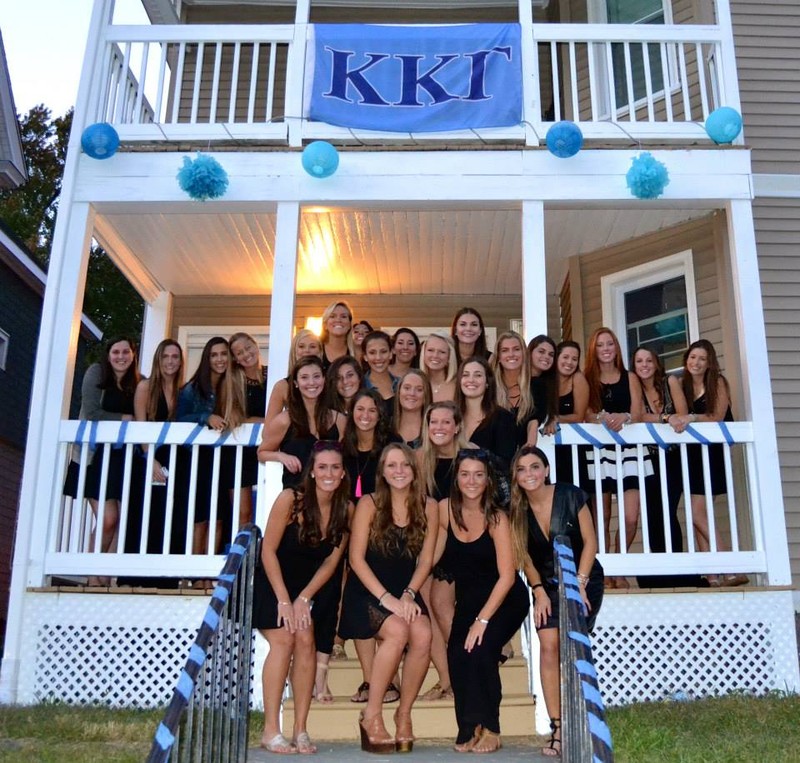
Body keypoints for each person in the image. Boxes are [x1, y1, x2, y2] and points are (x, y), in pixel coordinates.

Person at [253, 442, 353, 754]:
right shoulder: (290, 500)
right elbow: (267, 550)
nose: (329, 473)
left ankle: (300, 730)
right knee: (284, 640)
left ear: (343, 473)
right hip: (274, 582)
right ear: (311, 471)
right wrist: (285, 600)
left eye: (335, 467)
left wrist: (304, 598)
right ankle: (270, 731)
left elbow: (331, 562)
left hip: (309, 588)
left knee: (307, 640)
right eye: (322, 467)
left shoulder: (346, 509)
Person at [339, 444, 438, 753]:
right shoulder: (369, 503)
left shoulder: (429, 505)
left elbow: (425, 561)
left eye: (405, 465)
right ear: (381, 471)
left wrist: (408, 594)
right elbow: (356, 559)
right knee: (397, 631)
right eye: (392, 465)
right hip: (368, 590)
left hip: (405, 590)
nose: (399, 471)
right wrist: (388, 599)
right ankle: (372, 714)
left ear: (414, 470)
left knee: (422, 633)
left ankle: (403, 714)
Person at [510, 445, 603, 758]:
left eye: (534, 467)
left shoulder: (570, 495)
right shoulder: (517, 509)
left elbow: (591, 542)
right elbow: (524, 556)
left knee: (570, 647)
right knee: (548, 647)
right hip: (546, 585)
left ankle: (584, 721)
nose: (529, 474)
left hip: (582, 577)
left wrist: (579, 586)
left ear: (546, 470)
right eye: (521, 470)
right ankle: (559, 726)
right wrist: (537, 590)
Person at [439, 449, 528, 753]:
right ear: (456, 479)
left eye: (479, 474)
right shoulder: (445, 511)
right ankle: (468, 726)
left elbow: (507, 576)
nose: (471, 481)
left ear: (488, 479)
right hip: (469, 598)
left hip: (505, 598)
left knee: (481, 648)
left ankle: (491, 727)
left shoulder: (497, 517)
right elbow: (429, 556)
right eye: (465, 474)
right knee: (456, 652)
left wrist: (482, 621)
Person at [668, 339, 748, 587]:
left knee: (697, 512)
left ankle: (731, 567)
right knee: (697, 514)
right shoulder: (682, 384)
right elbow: (679, 414)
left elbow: (717, 416)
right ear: (686, 359)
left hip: (712, 454)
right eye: (692, 357)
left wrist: (692, 417)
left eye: (702, 358)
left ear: (709, 362)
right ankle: (713, 576)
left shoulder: (719, 383)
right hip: (692, 455)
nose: (696, 362)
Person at [342, 389, 403, 704]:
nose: (365, 415)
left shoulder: (390, 449)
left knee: (378, 603)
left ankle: (388, 681)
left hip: (385, 531)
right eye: (359, 409)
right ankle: (371, 681)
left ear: (380, 414)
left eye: (372, 410)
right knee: (358, 597)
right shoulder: (345, 449)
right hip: (352, 527)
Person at [584, 327, 648, 587]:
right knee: (602, 516)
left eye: (610, 344)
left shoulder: (629, 377)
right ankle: (606, 571)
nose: (606, 349)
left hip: (630, 449)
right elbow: (585, 413)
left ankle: (616, 561)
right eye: (600, 345)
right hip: (600, 450)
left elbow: (638, 412)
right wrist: (601, 417)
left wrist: (625, 417)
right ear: (594, 350)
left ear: (616, 348)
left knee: (631, 517)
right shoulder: (588, 378)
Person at [415, 401, 468, 703]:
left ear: (457, 426)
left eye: (446, 422)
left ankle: (464, 671)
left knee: (441, 604)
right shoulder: (420, 459)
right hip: (430, 541)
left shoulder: (469, 458)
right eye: (434, 422)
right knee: (425, 605)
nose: (439, 428)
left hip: (462, 541)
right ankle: (447, 678)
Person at [79, 336, 140, 581]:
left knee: (119, 521)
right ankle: (91, 575)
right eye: (116, 352)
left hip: (122, 458)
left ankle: (103, 579)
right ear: (109, 354)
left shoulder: (137, 382)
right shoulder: (97, 373)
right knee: (108, 518)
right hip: (95, 458)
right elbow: (92, 411)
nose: (121, 356)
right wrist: (124, 419)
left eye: (126, 352)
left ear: (133, 354)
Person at [176, 336, 243, 556]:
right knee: (200, 517)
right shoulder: (193, 388)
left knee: (219, 516)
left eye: (224, 354)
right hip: (197, 460)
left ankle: (208, 573)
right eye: (214, 355)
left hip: (222, 460)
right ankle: (195, 575)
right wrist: (206, 416)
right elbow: (177, 420)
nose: (220, 359)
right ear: (207, 358)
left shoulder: (232, 386)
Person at [130, 339, 186, 560]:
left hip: (177, 460)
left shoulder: (183, 391)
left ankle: (168, 576)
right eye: (166, 356)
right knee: (146, 512)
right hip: (150, 457)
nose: (170, 361)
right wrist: (150, 458)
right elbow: (140, 426)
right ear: (158, 360)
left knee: (171, 514)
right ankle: (137, 575)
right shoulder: (146, 387)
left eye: (175, 357)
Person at [258, 357, 345, 489]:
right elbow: (262, 453)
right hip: (296, 494)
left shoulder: (339, 420)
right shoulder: (284, 420)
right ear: (296, 383)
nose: (311, 382)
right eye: (304, 377)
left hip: (330, 495)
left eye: (316, 376)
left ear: (324, 379)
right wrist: (282, 456)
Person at [228, 331, 268, 528]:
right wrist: (269, 421)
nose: (246, 354)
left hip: (270, 447)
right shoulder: (235, 381)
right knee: (243, 512)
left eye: (248, 348)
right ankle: (241, 555)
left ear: (256, 345)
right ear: (235, 358)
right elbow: (237, 418)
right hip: (240, 452)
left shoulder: (273, 372)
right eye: (239, 352)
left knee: (270, 506)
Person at [456, 357, 518, 473]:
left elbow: (506, 464)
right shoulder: (452, 416)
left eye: (478, 375)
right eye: (465, 375)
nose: (471, 380)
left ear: (487, 382)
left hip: (491, 487)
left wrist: (477, 451)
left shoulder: (503, 418)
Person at [543, 341, 590, 486]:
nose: (569, 362)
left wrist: (556, 419)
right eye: (565, 357)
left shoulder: (578, 379)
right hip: (546, 446)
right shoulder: (545, 380)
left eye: (574, 359)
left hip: (572, 450)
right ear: (557, 357)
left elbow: (579, 416)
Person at [265, 329, 322, 423]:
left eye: (312, 346)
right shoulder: (282, 386)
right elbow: (269, 427)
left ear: (320, 352)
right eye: (301, 346)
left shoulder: (328, 381)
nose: (307, 350)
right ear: (294, 351)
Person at [491, 330, 535, 445]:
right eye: (505, 350)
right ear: (499, 357)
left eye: (516, 349)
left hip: (526, 457)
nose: (511, 354)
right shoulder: (489, 388)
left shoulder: (535, 386)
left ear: (523, 353)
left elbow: (537, 417)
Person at [527, 335, 558, 446]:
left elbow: (539, 411)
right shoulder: (518, 380)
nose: (546, 357)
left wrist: (552, 417)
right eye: (541, 351)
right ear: (530, 353)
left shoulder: (547, 385)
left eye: (551, 354)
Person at [361, 330, 399, 422]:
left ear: (391, 354)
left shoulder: (402, 385)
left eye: (383, 351)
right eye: (372, 352)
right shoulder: (359, 387)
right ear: (365, 356)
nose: (378, 357)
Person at [393, 370, 431, 448]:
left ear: (426, 396)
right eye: (407, 388)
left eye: (419, 390)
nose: (412, 393)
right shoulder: (386, 428)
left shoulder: (433, 428)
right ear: (399, 391)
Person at [420, 331, 458, 402]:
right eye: (430, 350)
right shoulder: (415, 383)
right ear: (423, 353)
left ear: (449, 356)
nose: (435, 355)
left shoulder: (458, 386)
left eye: (442, 352)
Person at [320, 301, 355, 372]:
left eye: (343, 316)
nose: (338, 320)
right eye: (332, 316)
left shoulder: (356, 352)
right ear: (325, 325)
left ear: (349, 325)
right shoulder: (316, 349)